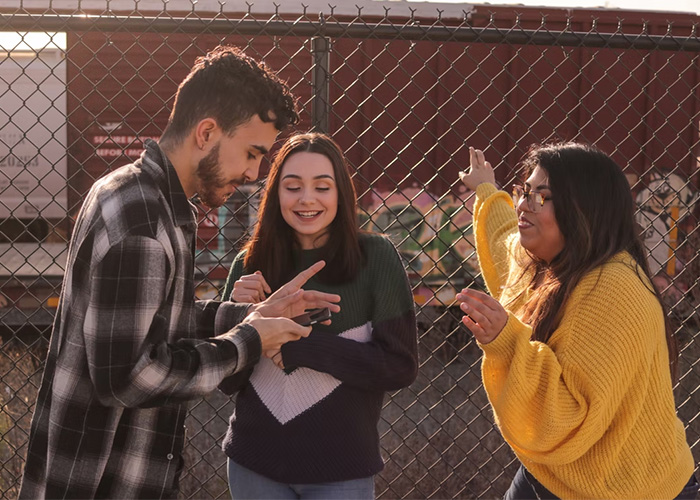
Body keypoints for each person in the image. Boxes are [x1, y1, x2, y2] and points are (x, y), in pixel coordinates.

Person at [19, 46, 341, 500]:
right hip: (102, 484)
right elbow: (129, 377)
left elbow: (156, 318)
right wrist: (250, 341)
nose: (254, 172)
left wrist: (253, 315)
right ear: (207, 132)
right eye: (251, 153)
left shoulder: (133, 193)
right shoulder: (143, 222)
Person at [456, 143, 698, 499]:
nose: (523, 204)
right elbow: (504, 242)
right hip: (562, 472)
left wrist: (506, 341)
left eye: (541, 196)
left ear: (583, 208)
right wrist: (486, 189)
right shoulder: (549, 264)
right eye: (524, 191)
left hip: (625, 488)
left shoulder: (612, 289)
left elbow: (569, 415)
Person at [219, 132, 419, 499]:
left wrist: (303, 347)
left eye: (322, 187)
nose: (307, 199)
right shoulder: (249, 264)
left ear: (341, 193)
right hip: (253, 466)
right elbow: (226, 381)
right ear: (275, 193)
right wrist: (237, 316)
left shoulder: (376, 257)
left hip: (341, 471)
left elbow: (400, 366)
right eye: (293, 187)